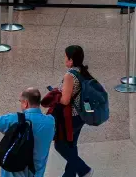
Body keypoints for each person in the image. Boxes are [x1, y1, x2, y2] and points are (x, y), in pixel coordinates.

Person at [0, 88, 56, 177]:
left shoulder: (14, 119)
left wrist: (9, 130)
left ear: (25, 103)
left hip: (14, 170)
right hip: (37, 172)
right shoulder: (51, 121)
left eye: (21, 101)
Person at [53, 45, 95, 177]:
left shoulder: (70, 75)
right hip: (81, 115)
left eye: (65, 57)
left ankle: (84, 170)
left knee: (60, 145)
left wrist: (55, 96)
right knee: (71, 145)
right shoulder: (83, 71)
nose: (64, 59)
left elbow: (65, 100)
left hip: (71, 117)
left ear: (71, 60)